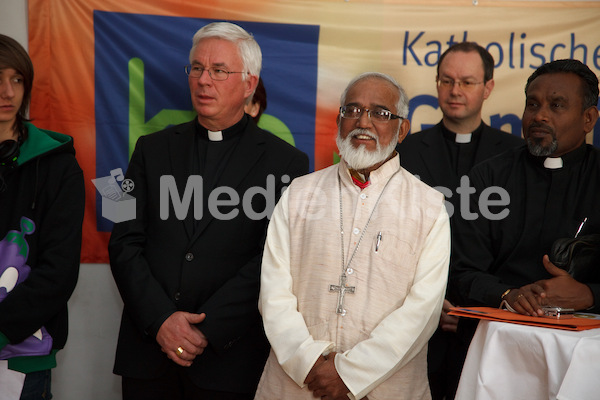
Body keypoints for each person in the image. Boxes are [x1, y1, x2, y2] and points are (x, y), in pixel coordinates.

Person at [108, 22, 309, 400]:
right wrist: (161, 320)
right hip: (148, 353)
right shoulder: (149, 149)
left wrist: (206, 329)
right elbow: (123, 241)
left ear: (249, 84)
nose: (203, 80)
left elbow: (273, 260)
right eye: (197, 68)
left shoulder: (288, 164)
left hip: (228, 359)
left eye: (219, 70)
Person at [255, 72, 450, 400]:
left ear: (402, 129)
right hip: (298, 383)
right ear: (339, 121)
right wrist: (308, 362)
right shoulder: (300, 194)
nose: (364, 121)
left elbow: (423, 310)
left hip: (388, 387)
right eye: (353, 110)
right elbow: (273, 293)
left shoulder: (428, 207)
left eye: (380, 113)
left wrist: (349, 374)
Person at [396, 41, 523, 400]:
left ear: (489, 88)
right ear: (436, 83)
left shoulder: (515, 157)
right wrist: (430, 305)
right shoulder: (403, 152)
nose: (455, 91)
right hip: (417, 323)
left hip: (492, 323)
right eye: (447, 80)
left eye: (467, 82)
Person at [451, 59, 600, 321]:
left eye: (556, 105)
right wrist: (506, 294)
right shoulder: (488, 178)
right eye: (532, 104)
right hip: (499, 330)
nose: (539, 116)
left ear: (588, 118)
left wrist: (590, 294)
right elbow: (462, 271)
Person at [0, 34, 85, 399]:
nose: (7, 92)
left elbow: (60, 269)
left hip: (24, 356)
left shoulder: (57, 164)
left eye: (16, 79)